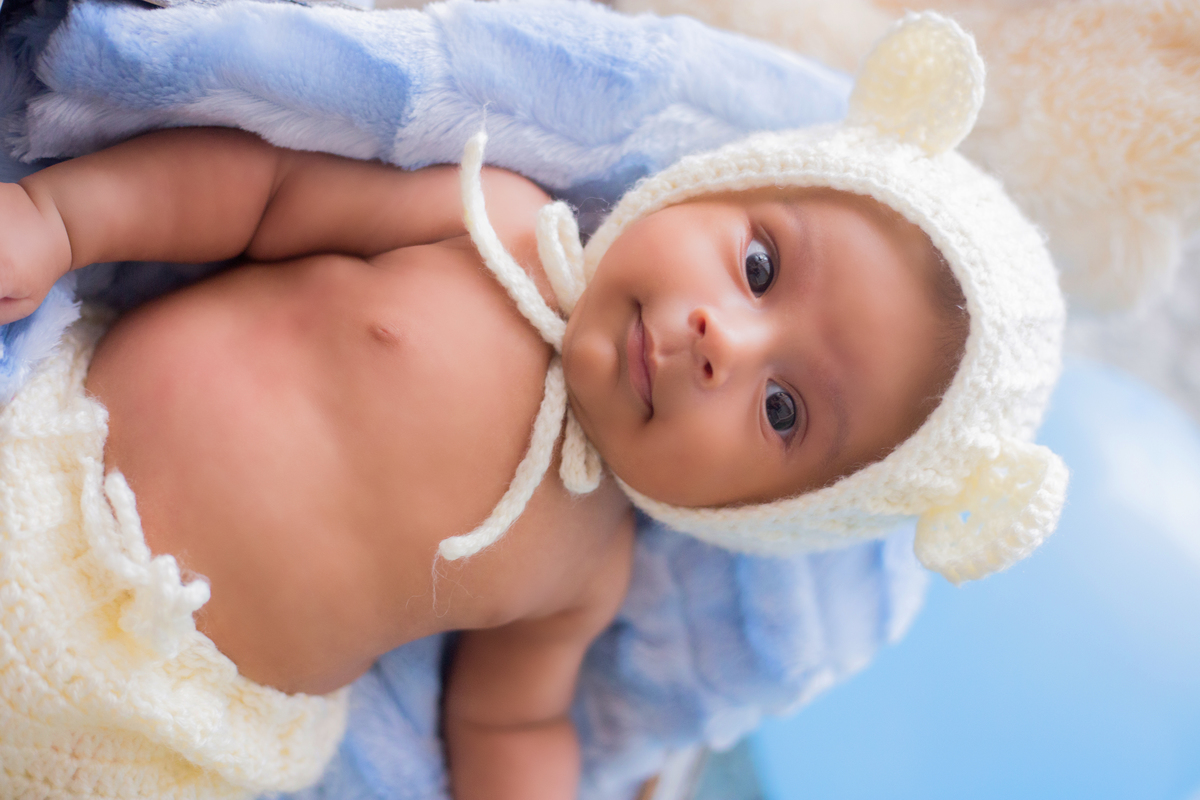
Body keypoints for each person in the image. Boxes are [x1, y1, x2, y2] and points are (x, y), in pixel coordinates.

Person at [0, 13, 1066, 800]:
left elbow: (509, 715)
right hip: (40, 474)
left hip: (169, 742)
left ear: (765, 512)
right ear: (725, 180)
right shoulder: (494, 223)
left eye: (784, 411)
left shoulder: (584, 561)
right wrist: (62, 219)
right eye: (758, 260)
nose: (722, 343)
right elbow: (260, 193)